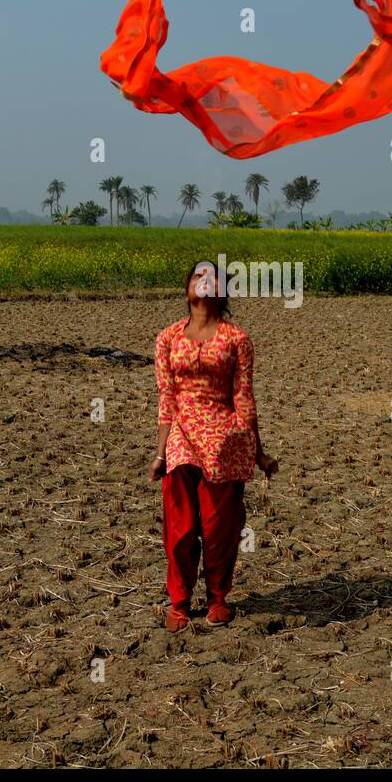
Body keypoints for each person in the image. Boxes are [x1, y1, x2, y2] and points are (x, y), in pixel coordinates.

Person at [150, 261, 278, 631]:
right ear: (187, 288)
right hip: (182, 440)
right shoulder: (168, 338)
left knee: (219, 527)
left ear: (223, 291)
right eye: (197, 275)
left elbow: (244, 397)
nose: (205, 281)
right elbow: (167, 398)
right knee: (182, 527)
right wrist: (160, 454)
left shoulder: (237, 339)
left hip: (226, 441)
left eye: (213, 276)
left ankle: (218, 599)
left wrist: (259, 453)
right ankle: (179, 601)